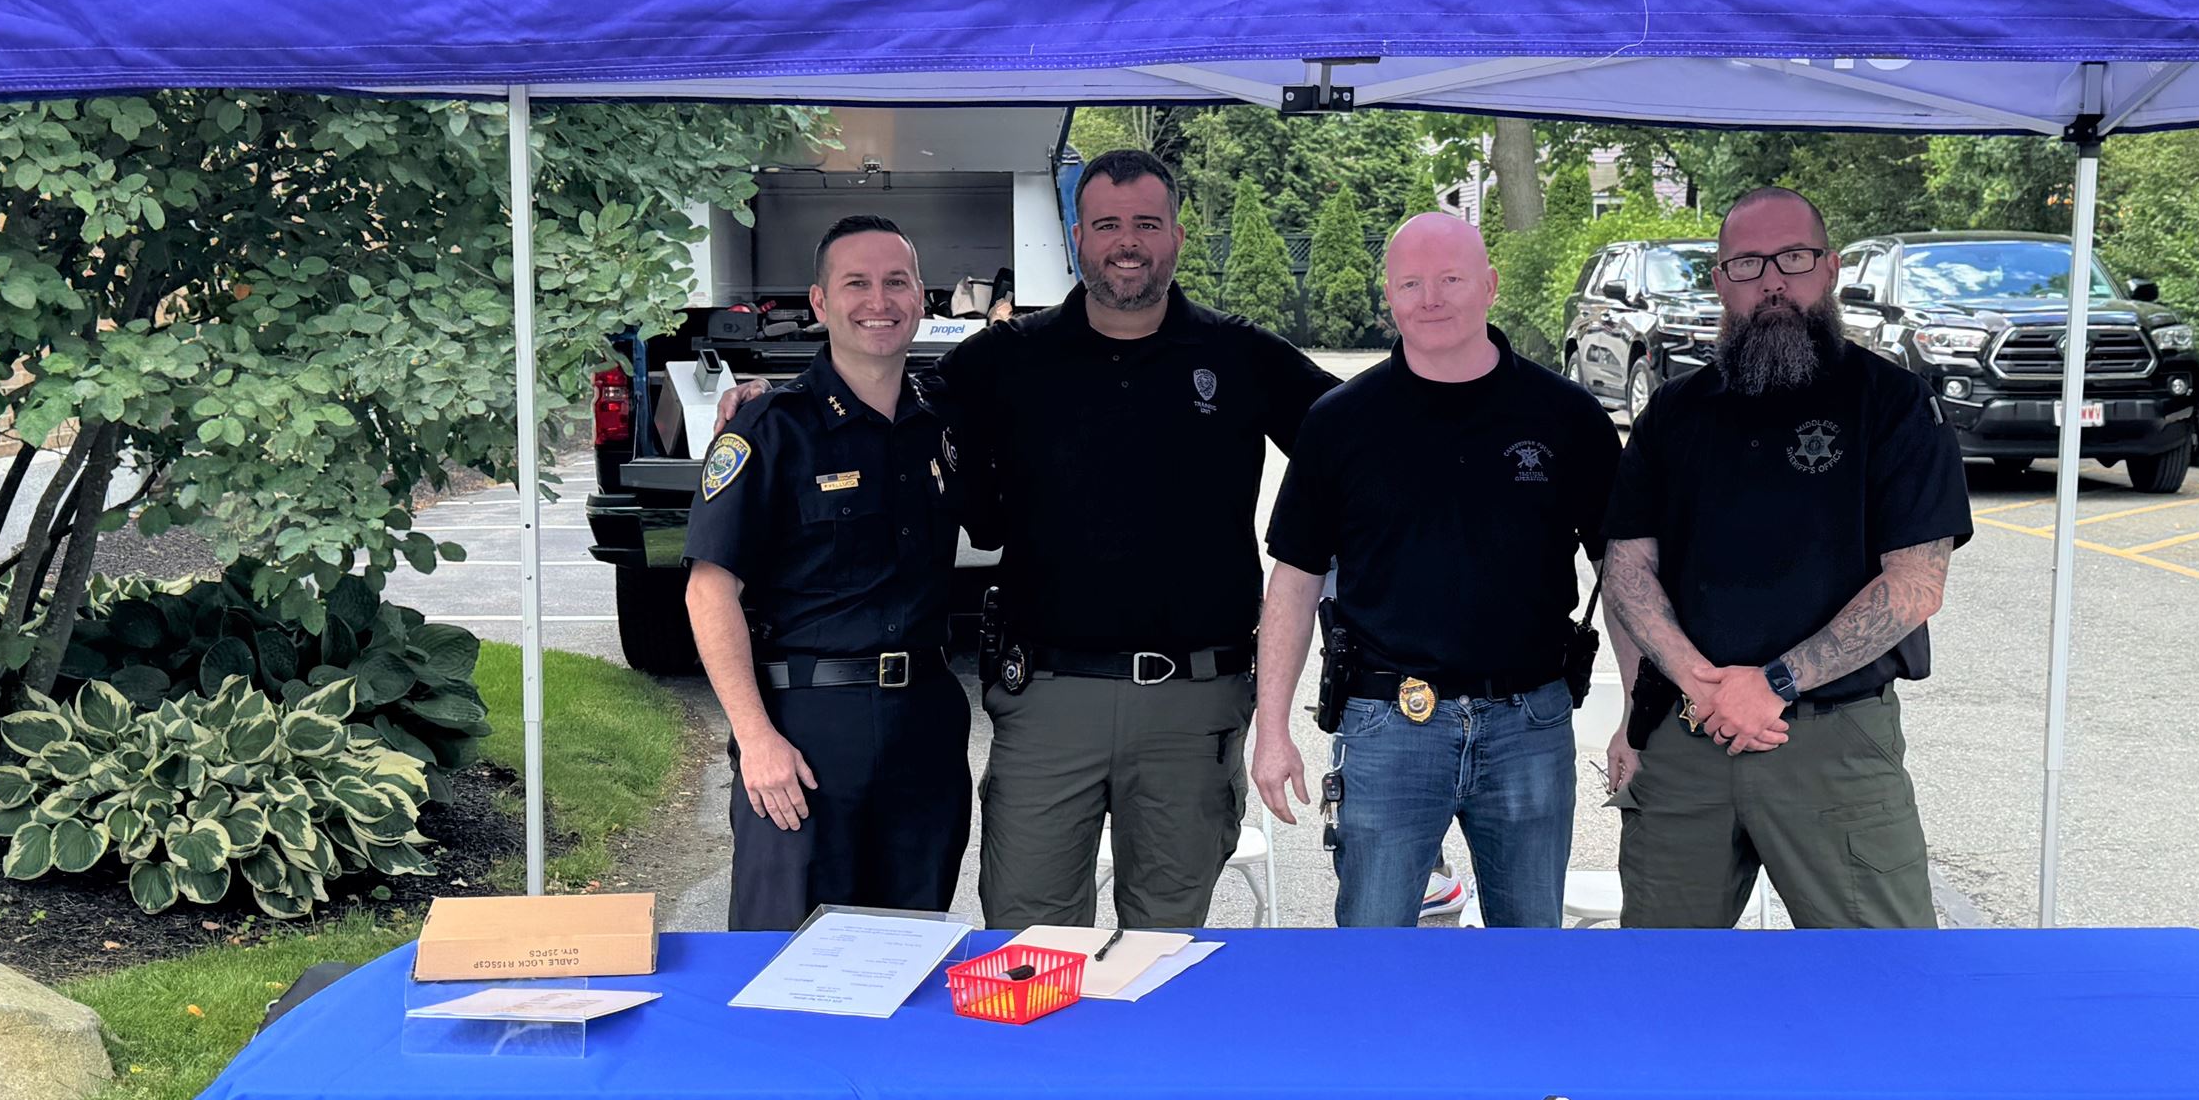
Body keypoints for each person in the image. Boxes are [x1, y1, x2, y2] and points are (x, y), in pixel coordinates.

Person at [944, 149, 1333, 929]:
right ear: (1078, 237)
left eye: (1147, 224)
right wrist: (764, 399)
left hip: (1190, 706)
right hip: (1046, 701)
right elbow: (880, 399)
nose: (1128, 242)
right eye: (1109, 225)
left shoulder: (1237, 354)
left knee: (1162, 951)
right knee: (1028, 947)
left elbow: (1359, 440)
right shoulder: (1007, 358)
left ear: (1177, 237)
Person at [1600, 186, 1973, 929]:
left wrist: (1774, 682)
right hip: (1686, 734)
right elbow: (1627, 570)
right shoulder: (1674, 412)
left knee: (1881, 987)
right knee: (1661, 992)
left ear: (1829, 267)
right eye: (1746, 263)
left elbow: (1915, 586)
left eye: (1793, 258)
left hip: (1833, 746)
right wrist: (1692, 688)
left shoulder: (1893, 404)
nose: (1772, 280)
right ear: (1719, 280)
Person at [1250, 213, 1626, 928]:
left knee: (1527, 961)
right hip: (1386, 727)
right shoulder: (1338, 423)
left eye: (1451, 278)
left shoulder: (1566, 417)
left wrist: (1636, 717)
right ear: (1388, 295)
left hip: (1528, 725)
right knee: (1372, 959)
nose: (1431, 297)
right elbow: (1293, 587)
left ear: (1489, 285)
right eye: (1411, 282)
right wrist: (1272, 731)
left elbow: (1624, 575)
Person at [684, 214, 970, 930]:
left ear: (921, 297)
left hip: (924, 728)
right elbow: (709, 589)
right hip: (806, 735)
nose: (880, 299)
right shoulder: (770, 427)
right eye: (857, 283)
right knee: (787, 958)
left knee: (908, 954)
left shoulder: (943, 422)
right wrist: (756, 738)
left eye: (896, 281)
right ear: (818, 303)